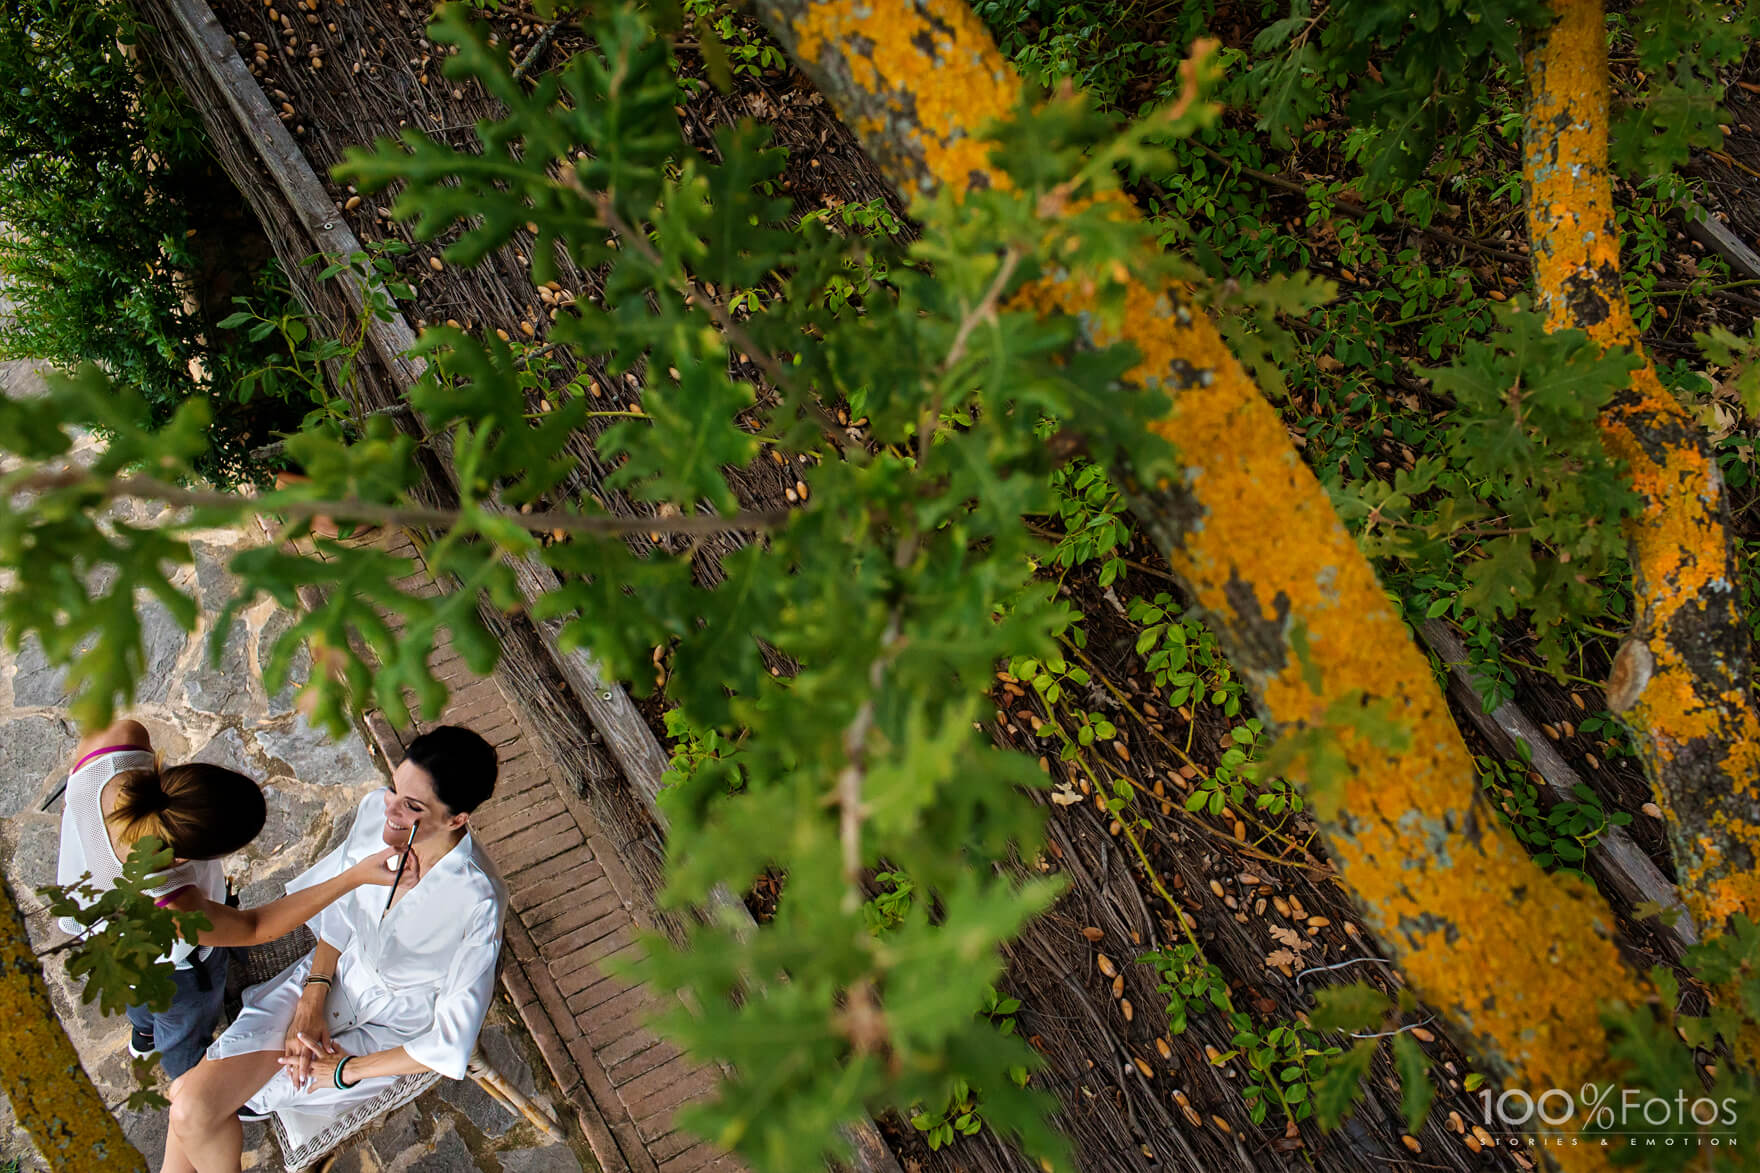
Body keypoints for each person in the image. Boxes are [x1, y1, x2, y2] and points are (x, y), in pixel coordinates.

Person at [162, 725, 505, 1173]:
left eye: (413, 806)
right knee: (189, 1104)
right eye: (394, 789)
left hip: (391, 1033)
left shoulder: (479, 899)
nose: (391, 811)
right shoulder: (372, 814)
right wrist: (312, 998)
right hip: (330, 976)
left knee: (190, 1103)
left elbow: (452, 1041)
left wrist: (346, 1071)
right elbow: (338, 914)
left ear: (456, 820)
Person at [56, 716, 410, 1079]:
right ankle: (188, 1078)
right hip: (174, 970)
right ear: (192, 857)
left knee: (140, 994)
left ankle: (144, 1031)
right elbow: (255, 927)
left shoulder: (120, 740)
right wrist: (355, 875)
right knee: (183, 1028)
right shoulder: (171, 904)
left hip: (102, 928)